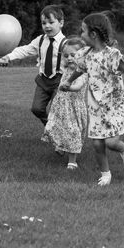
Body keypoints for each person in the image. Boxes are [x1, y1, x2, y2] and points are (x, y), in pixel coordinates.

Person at [61, 12, 124, 186]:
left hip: (114, 104)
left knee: (111, 142)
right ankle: (105, 174)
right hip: (95, 105)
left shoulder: (112, 55)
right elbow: (81, 69)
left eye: (83, 31)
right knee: (98, 145)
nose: (80, 35)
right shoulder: (85, 54)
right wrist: (69, 81)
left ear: (93, 35)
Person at [0, 5, 66, 126]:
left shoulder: (66, 43)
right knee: (36, 109)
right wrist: (8, 57)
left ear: (61, 23)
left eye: (51, 22)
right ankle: (49, 125)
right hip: (43, 81)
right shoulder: (41, 40)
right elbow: (25, 50)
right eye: (44, 23)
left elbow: (75, 61)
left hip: (59, 82)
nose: (47, 26)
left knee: (56, 111)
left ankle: (57, 132)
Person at [41, 36, 88, 170]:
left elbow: (78, 86)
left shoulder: (83, 72)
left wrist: (68, 87)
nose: (69, 58)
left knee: (73, 132)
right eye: (66, 55)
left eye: (73, 55)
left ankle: (72, 161)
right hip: (60, 106)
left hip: (74, 108)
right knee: (51, 127)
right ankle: (60, 145)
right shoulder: (66, 70)